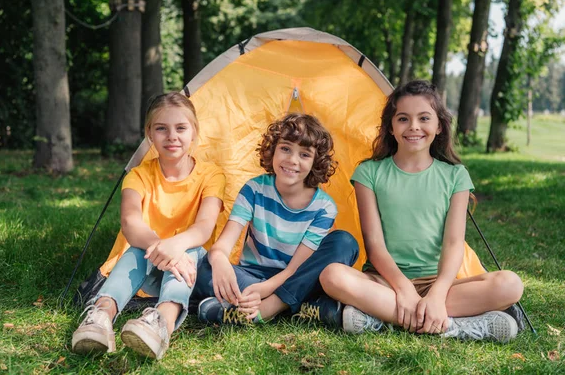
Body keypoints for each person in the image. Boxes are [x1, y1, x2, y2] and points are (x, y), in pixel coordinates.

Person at [319, 80, 524, 342]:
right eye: (403, 119)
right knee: (332, 276)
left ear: (438, 126)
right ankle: (452, 325)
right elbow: (374, 244)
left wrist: (437, 294)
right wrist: (403, 288)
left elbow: (453, 243)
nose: (414, 126)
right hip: (385, 281)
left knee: (511, 284)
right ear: (390, 128)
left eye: (424, 118)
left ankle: (381, 318)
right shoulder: (369, 173)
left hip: (439, 284)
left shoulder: (455, 176)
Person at [71, 92, 225, 359]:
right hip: (149, 259)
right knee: (134, 250)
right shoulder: (138, 175)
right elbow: (131, 224)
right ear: (149, 134)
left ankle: (161, 325)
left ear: (194, 132)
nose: (172, 136)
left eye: (181, 128)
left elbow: (204, 228)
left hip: (192, 268)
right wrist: (161, 249)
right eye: (161, 128)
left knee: (185, 252)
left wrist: (173, 248)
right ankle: (101, 317)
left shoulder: (212, 175)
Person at [193, 113, 359, 324]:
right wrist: (219, 261)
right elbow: (222, 246)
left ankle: (266, 307)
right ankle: (310, 308)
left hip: (297, 276)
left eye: (305, 155)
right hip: (252, 276)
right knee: (202, 266)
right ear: (272, 150)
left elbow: (293, 270)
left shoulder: (323, 207)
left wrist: (267, 291)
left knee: (344, 242)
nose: (292, 160)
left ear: (316, 161)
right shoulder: (254, 189)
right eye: (285, 148)